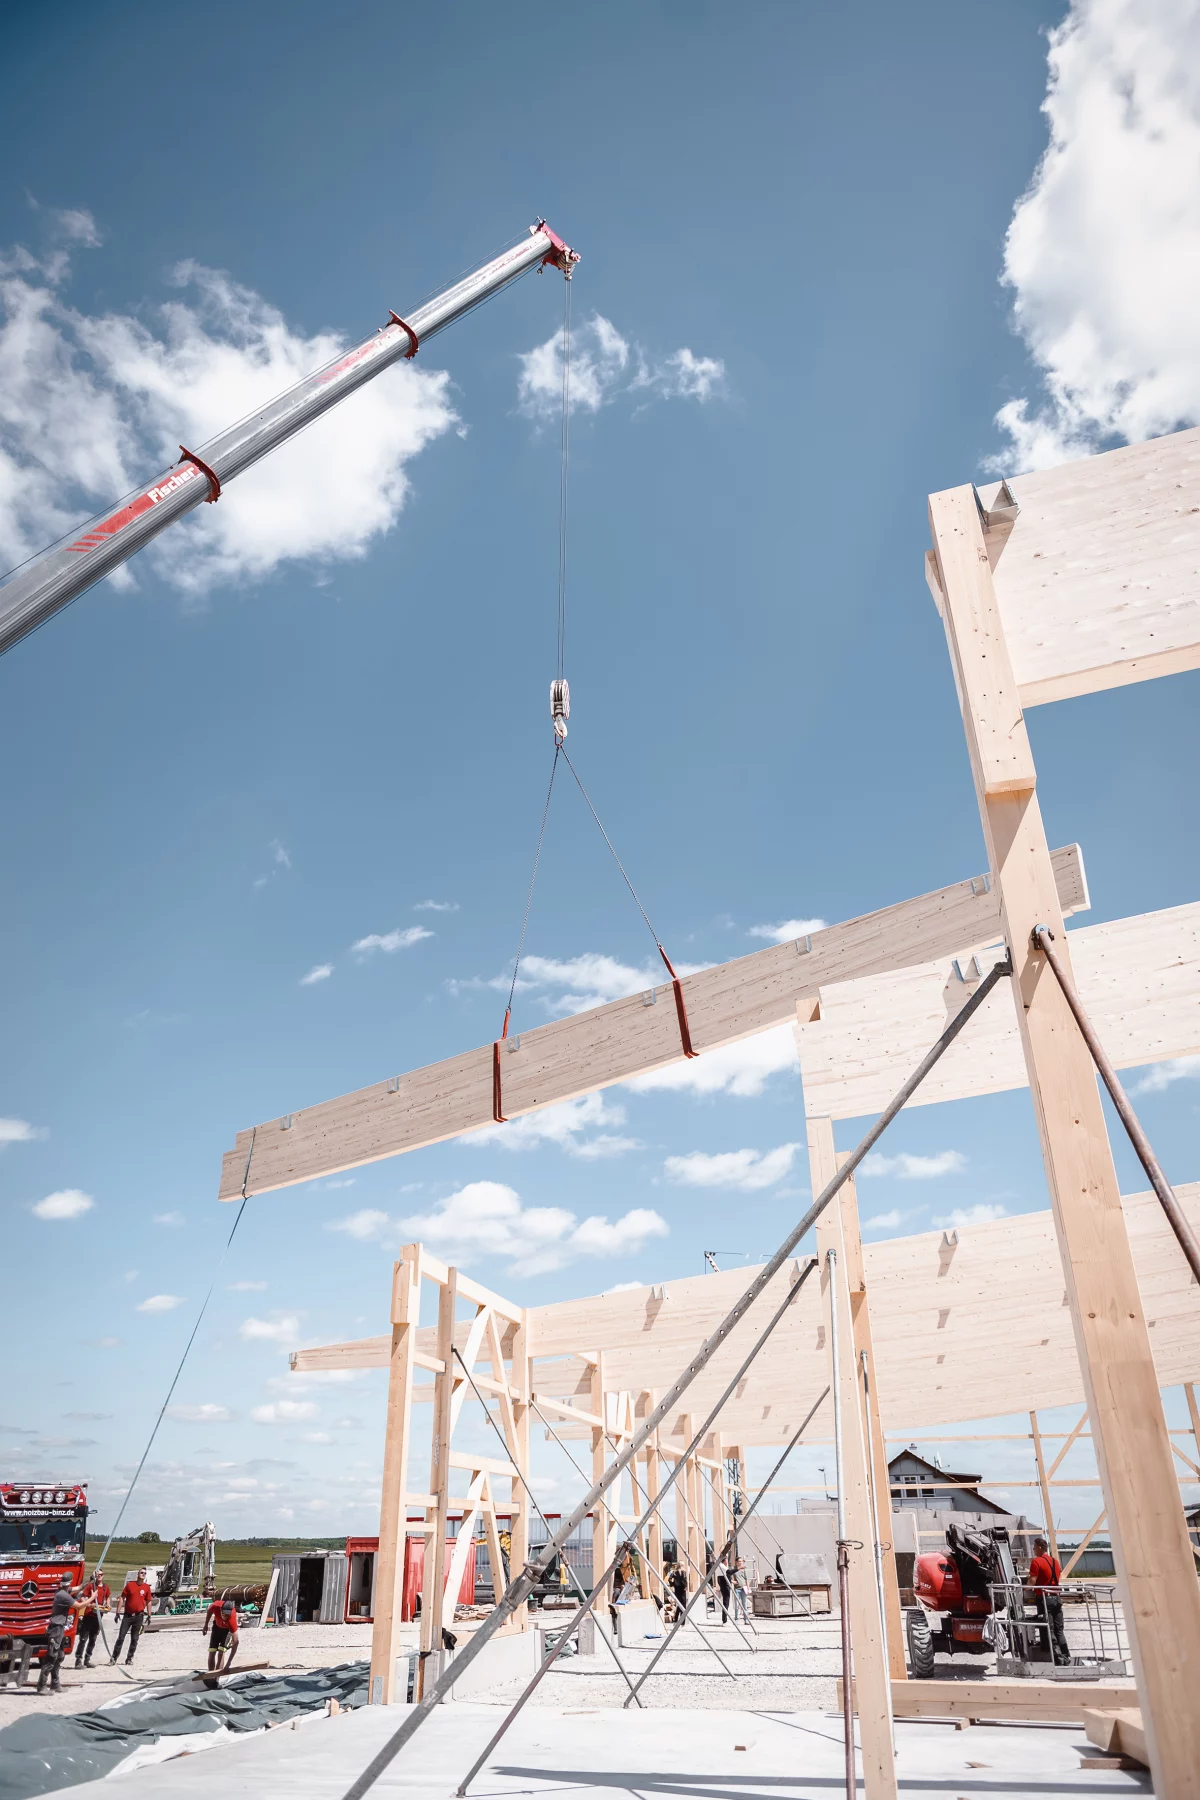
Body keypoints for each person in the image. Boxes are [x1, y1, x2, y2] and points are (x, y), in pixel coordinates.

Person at [1026, 1536, 1070, 1664]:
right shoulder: (1055, 1561)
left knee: (1048, 1629)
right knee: (1059, 1630)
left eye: (1034, 1547)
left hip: (1045, 1599)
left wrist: (1023, 1588)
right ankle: (1066, 1656)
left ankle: (1058, 1658)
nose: (1033, 1550)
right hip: (1056, 1597)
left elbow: (1032, 1582)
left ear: (1040, 1547)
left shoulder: (1037, 1562)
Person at [37, 1575, 80, 1693]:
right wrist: (92, 1597)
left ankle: (55, 1684)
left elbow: (79, 1588)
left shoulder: (63, 1591)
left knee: (59, 1656)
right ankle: (41, 1686)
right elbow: (79, 1606)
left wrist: (91, 1580)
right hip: (56, 1630)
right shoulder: (63, 1595)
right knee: (51, 1658)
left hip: (60, 1629)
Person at [112, 1567, 153, 1665]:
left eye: (144, 1573)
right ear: (138, 1574)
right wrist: (117, 1612)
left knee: (134, 1639)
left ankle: (129, 1658)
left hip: (139, 1616)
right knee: (121, 1637)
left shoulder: (146, 1587)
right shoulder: (130, 1585)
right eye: (141, 1572)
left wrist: (149, 1615)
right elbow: (122, 1598)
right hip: (128, 1616)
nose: (143, 1574)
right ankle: (114, 1658)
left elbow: (148, 1601)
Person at [74, 1567, 111, 1668]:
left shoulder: (105, 1587)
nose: (99, 1576)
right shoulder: (91, 1586)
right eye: (97, 1575)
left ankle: (87, 1659)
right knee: (83, 1638)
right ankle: (78, 1659)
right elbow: (82, 1596)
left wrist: (107, 1604)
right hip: (89, 1615)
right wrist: (89, 1604)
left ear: (103, 1576)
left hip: (98, 1616)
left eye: (101, 1575)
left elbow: (108, 1597)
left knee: (93, 1639)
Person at [204, 1594, 239, 1672]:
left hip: (227, 1630)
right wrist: (206, 1625)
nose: (225, 1617)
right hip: (217, 1627)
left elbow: (236, 1642)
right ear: (221, 1610)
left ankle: (217, 1677)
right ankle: (211, 1675)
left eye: (227, 1615)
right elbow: (209, 1611)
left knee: (221, 1652)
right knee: (212, 1652)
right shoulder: (216, 1605)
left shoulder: (231, 1620)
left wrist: (228, 1664)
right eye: (223, 1614)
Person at [731, 1557, 750, 1624]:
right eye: (739, 1561)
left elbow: (746, 1578)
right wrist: (732, 1581)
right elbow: (728, 1575)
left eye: (741, 1561)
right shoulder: (733, 1569)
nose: (741, 1562)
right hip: (737, 1589)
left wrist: (748, 1588)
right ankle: (736, 1619)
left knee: (744, 1604)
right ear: (736, 1562)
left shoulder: (743, 1569)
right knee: (736, 1605)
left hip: (743, 1588)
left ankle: (746, 1619)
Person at [714, 1556, 731, 1624]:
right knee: (726, 1602)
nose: (727, 1562)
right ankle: (724, 1620)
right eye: (726, 1560)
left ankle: (724, 1619)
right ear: (724, 1560)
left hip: (724, 1585)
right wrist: (739, 1568)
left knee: (726, 1602)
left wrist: (731, 1581)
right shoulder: (722, 1566)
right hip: (725, 1586)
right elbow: (729, 1572)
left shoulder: (721, 1567)